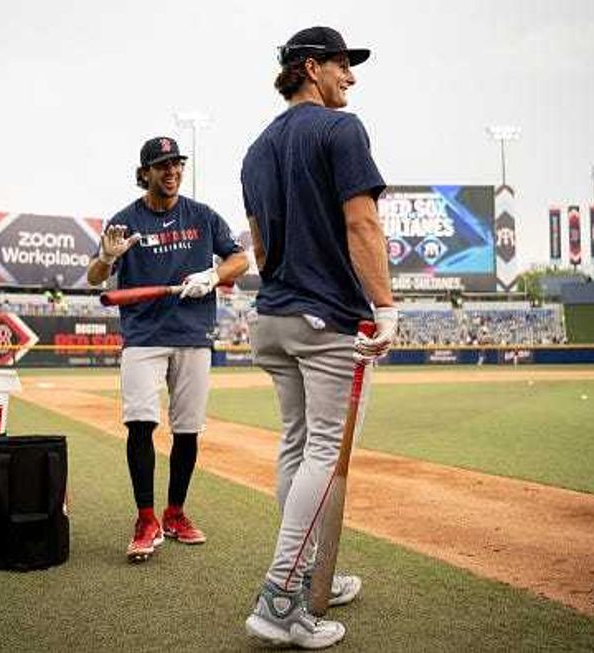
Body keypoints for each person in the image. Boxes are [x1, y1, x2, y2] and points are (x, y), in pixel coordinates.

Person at [240, 26, 397, 649]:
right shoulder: (341, 129)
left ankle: (304, 579)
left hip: (272, 315)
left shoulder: (254, 148)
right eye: (342, 65)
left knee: (298, 448)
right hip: (323, 317)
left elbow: (257, 245)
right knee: (324, 456)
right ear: (312, 67)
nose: (351, 77)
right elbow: (362, 222)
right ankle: (281, 599)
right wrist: (384, 304)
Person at [87, 136, 248, 563]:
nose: (172, 171)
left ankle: (174, 513)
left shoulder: (202, 215)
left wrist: (213, 276)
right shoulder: (124, 220)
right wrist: (106, 258)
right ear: (145, 173)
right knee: (140, 424)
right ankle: (145, 519)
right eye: (162, 166)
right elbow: (93, 276)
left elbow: (240, 260)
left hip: (193, 335)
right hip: (143, 337)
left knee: (187, 430)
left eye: (176, 164)